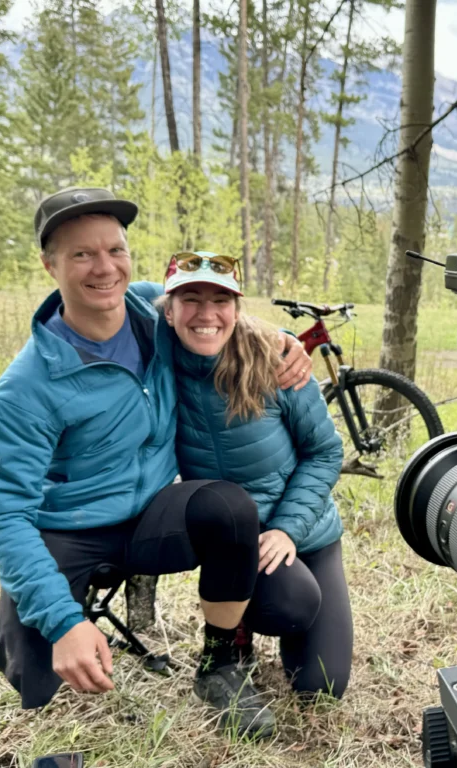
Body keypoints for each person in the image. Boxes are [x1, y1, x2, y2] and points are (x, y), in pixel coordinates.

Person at [0, 187, 313, 738]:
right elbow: (2, 516)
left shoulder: (149, 310)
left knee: (229, 507)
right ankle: (37, 617)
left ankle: (220, 663)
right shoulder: (26, 388)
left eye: (115, 249)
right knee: (33, 672)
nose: (105, 268)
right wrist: (64, 623)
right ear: (49, 264)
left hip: (154, 515)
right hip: (72, 527)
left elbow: (215, 313)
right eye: (82, 254)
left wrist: (285, 338)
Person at [157, 251, 353, 715]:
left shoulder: (276, 360)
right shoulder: (158, 357)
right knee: (290, 602)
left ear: (237, 308)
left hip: (306, 531)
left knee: (322, 687)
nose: (207, 314)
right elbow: (109, 294)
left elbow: (324, 452)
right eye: (191, 299)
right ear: (168, 310)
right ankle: (234, 633)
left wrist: (288, 528)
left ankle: (278, 612)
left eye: (221, 300)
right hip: (234, 539)